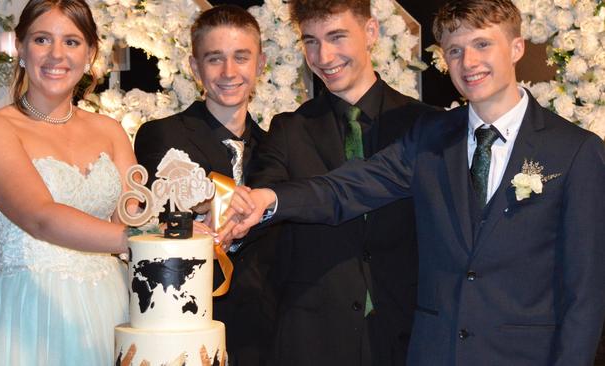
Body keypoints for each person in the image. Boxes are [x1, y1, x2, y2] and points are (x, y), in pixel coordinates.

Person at [225, 0, 605, 364]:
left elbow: (584, 293)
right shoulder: (429, 136)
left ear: (517, 47)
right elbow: (348, 186)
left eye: (482, 44)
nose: (468, 62)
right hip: (433, 353)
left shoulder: (576, 151)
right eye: (454, 51)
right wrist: (268, 199)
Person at [243, 1, 435, 365]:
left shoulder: (425, 125)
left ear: (371, 32)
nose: (323, 55)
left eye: (336, 37)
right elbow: (261, 209)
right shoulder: (288, 129)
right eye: (311, 41)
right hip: (312, 338)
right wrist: (233, 212)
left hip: (405, 336)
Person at [0, 0, 138, 364]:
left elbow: (133, 213)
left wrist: (187, 218)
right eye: (42, 40)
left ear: (89, 55)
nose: (57, 55)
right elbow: (40, 217)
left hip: (113, 309)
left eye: (71, 42)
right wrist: (140, 240)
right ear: (21, 48)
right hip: (28, 314)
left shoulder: (111, 131)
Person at [133, 5, 277, 365]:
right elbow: (160, 219)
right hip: (183, 322)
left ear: (259, 65)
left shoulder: (278, 147)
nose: (229, 72)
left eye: (241, 58)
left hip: (264, 331)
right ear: (196, 68)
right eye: (215, 59)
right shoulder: (161, 135)